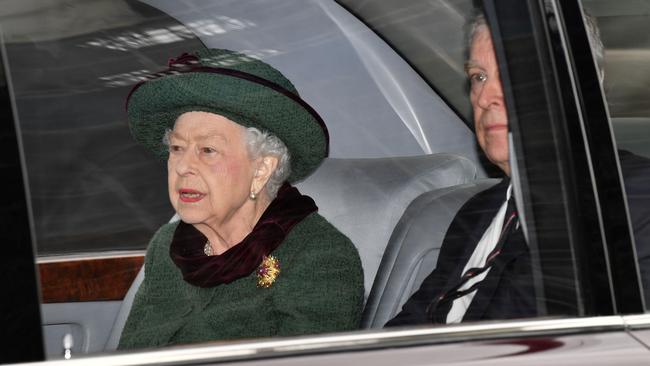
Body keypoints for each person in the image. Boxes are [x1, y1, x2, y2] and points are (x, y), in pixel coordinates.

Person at [387, 10, 650, 326]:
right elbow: (409, 328)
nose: (485, 97)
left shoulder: (633, 199)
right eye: (478, 77)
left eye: (515, 72)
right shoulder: (476, 214)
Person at [117, 48, 364, 349]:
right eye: (177, 149)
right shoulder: (167, 246)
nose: (182, 167)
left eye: (207, 151)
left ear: (261, 168)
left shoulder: (318, 256)